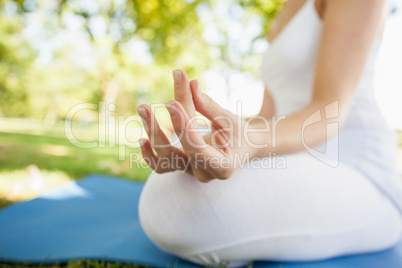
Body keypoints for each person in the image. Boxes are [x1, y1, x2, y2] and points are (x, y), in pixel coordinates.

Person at [135, 0, 402, 266]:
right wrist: (215, 136)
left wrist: (250, 142)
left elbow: (328, 110)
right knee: (182, 176)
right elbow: (267, 118)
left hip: (357, 169)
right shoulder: (286, 9)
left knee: (169, 203)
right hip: (297, 156)